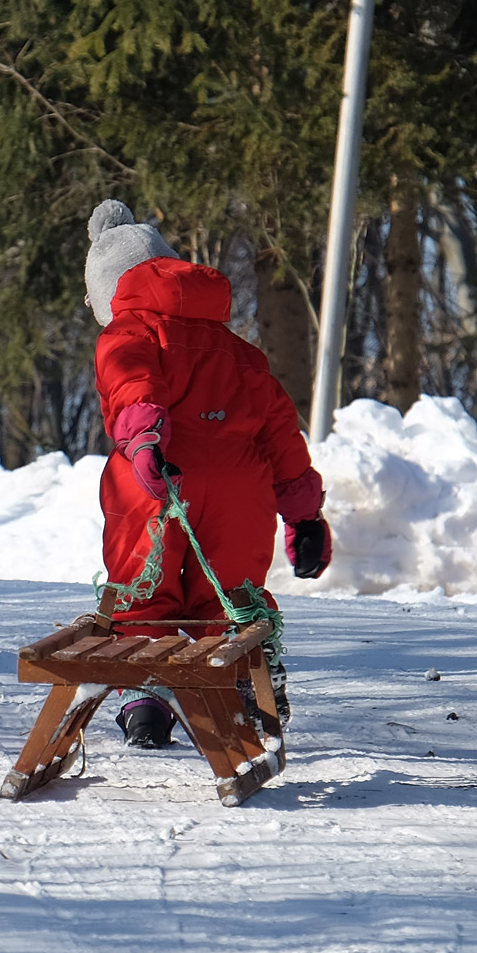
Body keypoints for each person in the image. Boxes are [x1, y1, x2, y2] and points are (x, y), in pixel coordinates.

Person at [85, 200, 332, 748]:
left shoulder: (127, 333)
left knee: (145, 591)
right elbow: (278, 431)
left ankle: (147, 700)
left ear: (110, 291)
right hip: (240, 490)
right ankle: (243, 685)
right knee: (230, 597)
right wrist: (303, 515)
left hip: (157, 481)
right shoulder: (240, 352)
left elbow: (132, 385)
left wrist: (146, 436)